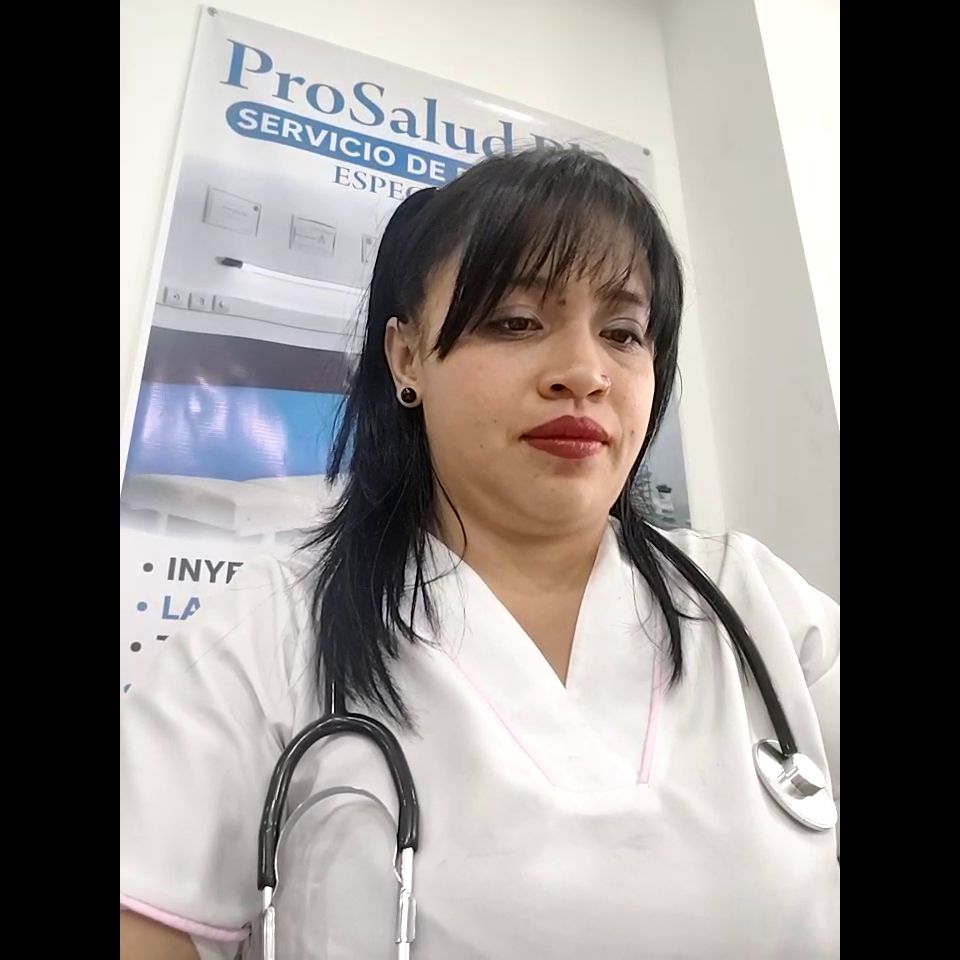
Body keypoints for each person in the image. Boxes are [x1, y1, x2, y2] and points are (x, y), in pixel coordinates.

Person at [120, 147, 839, 960]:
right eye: (516, 320)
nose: (584, 372)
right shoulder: (269, 633)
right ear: (406, 357)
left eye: (623, 332)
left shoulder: (758, 603)